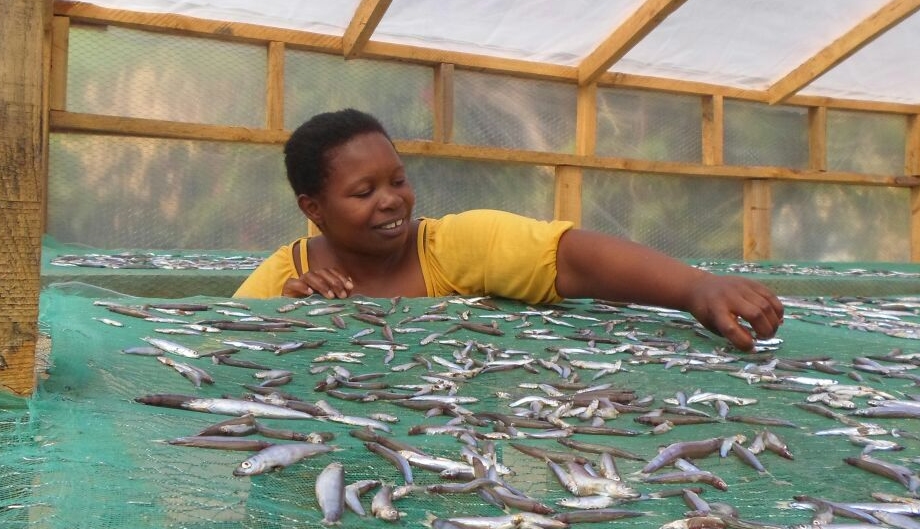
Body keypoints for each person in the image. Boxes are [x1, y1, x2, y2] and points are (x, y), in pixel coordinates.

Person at [234, 109, 783, 351]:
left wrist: (695, 288)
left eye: (397, 180)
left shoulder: (454, 245)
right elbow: (213, 358)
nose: (391, 201)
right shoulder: (285, 278)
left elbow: (570, 257)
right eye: (363, 192)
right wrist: (280, 323)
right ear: (314, 208)